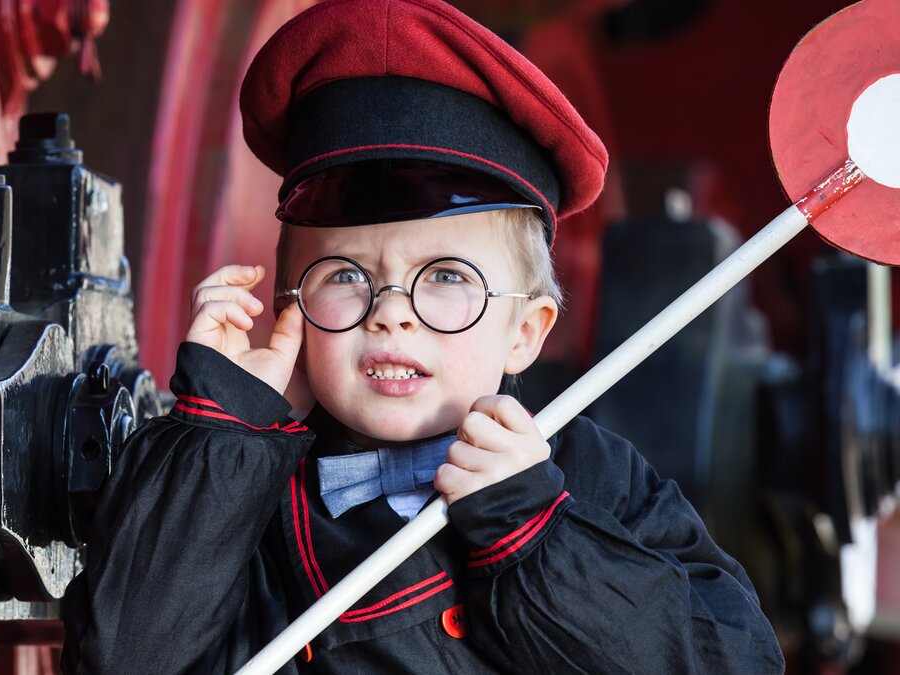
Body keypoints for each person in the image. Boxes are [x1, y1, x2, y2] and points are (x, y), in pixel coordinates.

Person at [61, 0, 786, 671]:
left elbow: (735, 658)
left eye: (445, 277)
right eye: (345, 275)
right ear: (290, 306)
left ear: (525, 333)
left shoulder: (593, 479)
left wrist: (533, 536)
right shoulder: (241, 489)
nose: (391, 313)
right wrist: (220, 433)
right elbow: (125, 656)